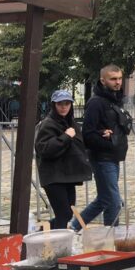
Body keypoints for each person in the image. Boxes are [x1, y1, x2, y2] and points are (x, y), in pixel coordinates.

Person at [72, 64, 132, 229]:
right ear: (103, 80)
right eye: (113, 79)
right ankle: (112, 235)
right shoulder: (96, 103)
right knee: (113, 202)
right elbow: (88, 134)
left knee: (104, 199)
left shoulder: (115, 100)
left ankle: (74, 226)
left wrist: (113, 137)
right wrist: (107, 140)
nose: (117, 82)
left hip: (113, 157)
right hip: (102, 158)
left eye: (119, 78)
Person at [35, 90, 93, 230]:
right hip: (53, 176)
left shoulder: (70, 123)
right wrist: (66, 137)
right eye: (60, 104)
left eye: (67, 103)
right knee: (63, 214)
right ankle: (58, 241)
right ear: (54, 105)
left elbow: (81, 143)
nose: (64, 107)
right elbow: (44, 149)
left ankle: (43, 230)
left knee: (67, 213)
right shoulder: (48, 124)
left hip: (67, 175)